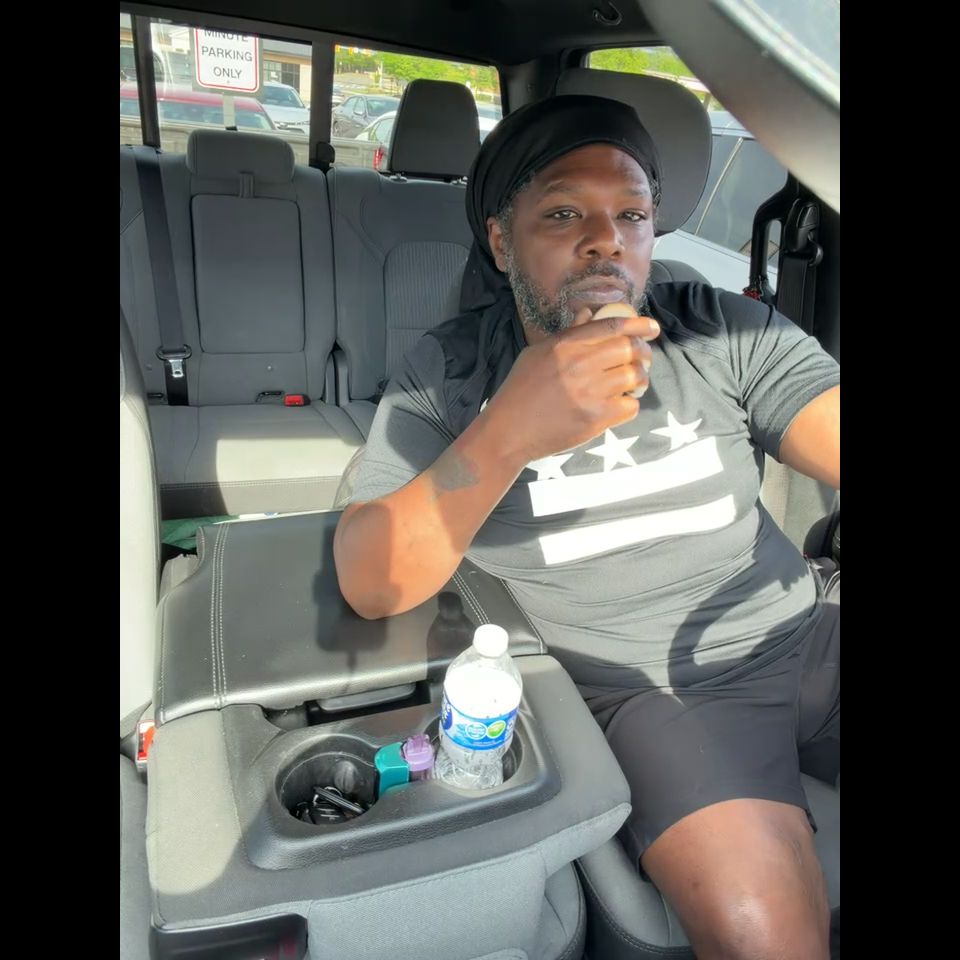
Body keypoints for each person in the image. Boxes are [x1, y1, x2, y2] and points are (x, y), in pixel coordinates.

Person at [334, 94, 840, 960]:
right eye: (565, 214)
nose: (607, 240)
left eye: (632, 215)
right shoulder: (452, 370)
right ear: (502, 241)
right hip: (656, 691)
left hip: (809, 627)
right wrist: (509, 431)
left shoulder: (717, 327)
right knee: (766, 934)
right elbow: (370, 579)